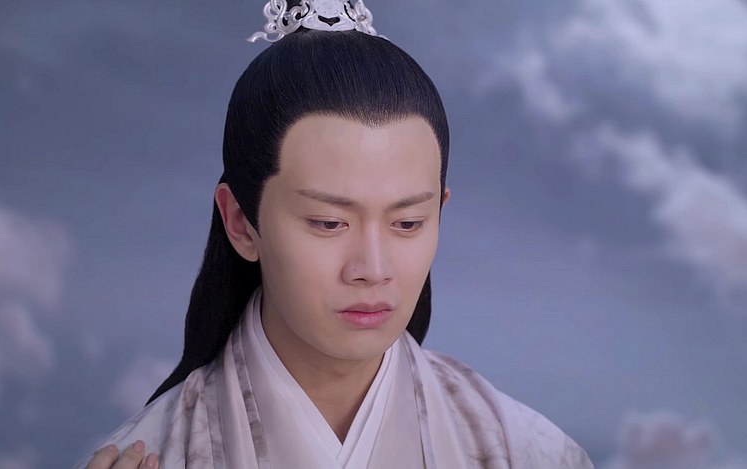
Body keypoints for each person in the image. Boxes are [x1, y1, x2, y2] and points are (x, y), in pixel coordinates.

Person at [80, 1, 594, 467]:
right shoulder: (151, 454)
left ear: (440, 212)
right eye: (329, 223)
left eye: (407, 223)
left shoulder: (527, 452)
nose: (373, 269)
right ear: (240, 222)